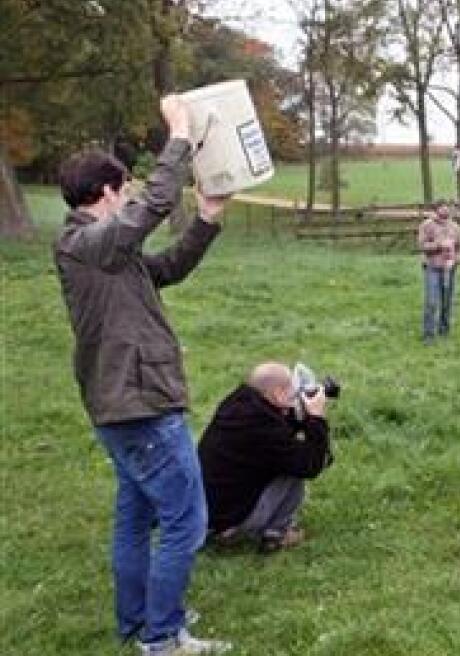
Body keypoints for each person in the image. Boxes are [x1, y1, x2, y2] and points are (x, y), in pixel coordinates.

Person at [53, 96, 232, 655]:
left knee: (136, 517)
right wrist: (178, 135)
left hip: (123, 405)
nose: (128, 195)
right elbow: (154, 202)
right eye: (123, 188)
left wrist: (207, 218)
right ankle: (163, 637)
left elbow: (168, 268)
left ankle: (140, 620)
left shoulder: (106, 252)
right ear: (107, 192)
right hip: (141, 404)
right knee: (186, 521)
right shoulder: (86, 243)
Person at [198, 362, 333, 554]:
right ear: (277, 394)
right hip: (231, 519)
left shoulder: (238, 404)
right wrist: (317, 418)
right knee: (293, 468)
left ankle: (228, 529)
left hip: (207, 513)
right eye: (293, 392)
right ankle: (276, 532)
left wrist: (300, 414)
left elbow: (277, 429)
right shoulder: (264, 428)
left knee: (285, 460)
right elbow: (310, 465)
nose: (295, 396)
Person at [417, 203, 460, 342]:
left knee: (447, 300)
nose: (446, 210)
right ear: (436, 210)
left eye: (448, 208)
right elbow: (421, 245)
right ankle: (428, 334)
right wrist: (438, 245)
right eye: (443, 207)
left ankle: (444, 330)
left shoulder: (456, 228)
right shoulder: (427, 225)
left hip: (449, 269)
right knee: (432, 301)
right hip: (432, 267)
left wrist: (456, 260)